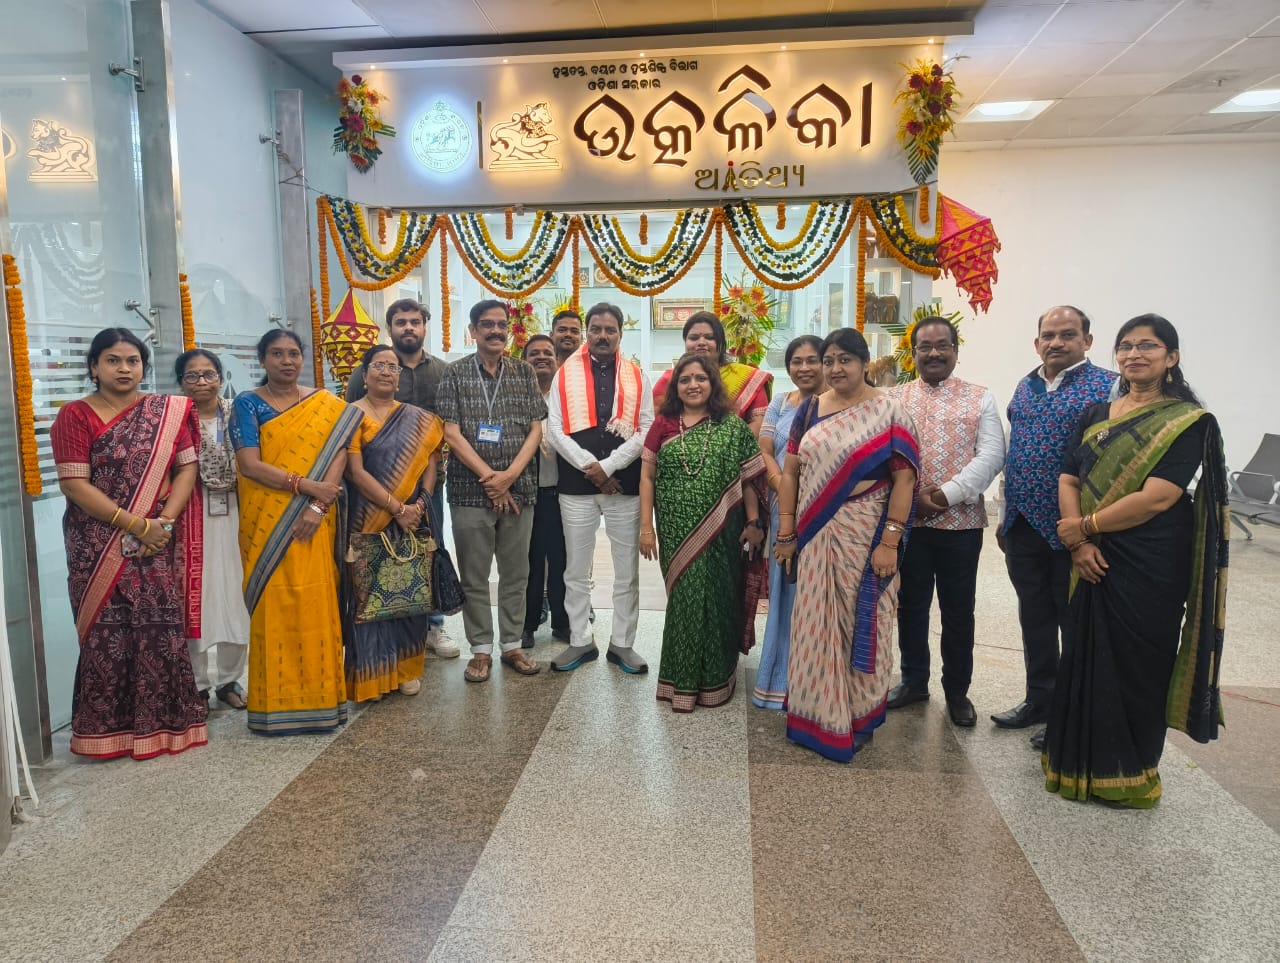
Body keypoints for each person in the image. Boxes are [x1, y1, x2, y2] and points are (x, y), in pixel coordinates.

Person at [1044, 314, 1227, 807]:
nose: (1134, 354)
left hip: (1150, 559)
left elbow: (1158, 497)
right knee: (1082, 653)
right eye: (1125, 346)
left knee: (1139, 663)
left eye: (1148, 346)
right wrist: (1078, 543)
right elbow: (1068, 478)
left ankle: (1131, 773)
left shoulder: (1186, 421)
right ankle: (1076, 765)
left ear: (1172, 357)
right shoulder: (1096, 413)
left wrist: (1084, 527)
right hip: (1089, 553)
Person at [51, 328, 206, 759]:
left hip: (155, 539)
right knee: (107, 633)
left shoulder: (166, 412)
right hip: (96, 542)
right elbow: (73, 483)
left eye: (132, 361)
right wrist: (134, 523)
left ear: (143, 366)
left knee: (159, 629)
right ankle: (106, 732)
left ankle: (165, 727)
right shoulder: (75, 415)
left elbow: (186, 469)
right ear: (94, 368)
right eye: (113, 360)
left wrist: (164, 523)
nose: (124, 368)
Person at [773, 329, 919, 763]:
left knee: (864, 621)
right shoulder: (810, 409)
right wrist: (786, 532)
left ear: (864, 362)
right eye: (829, 361)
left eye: (845, 360)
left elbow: (905, 480)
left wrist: (890, 541)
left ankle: (857, 715)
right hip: (815, 533)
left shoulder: (890, 410)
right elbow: (792, 473)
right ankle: (815, 715)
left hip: (866, 532)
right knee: (814, 621)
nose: (835, 369)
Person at [231, 329, 362, 735]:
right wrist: (306, 487)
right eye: (276, 354)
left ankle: (322, 702)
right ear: (262, 359)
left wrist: (318, 506)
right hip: (266, 520)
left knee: (316, 600)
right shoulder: (247, 404)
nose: (286, 361)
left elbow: (340, 453)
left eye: (293, 354)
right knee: (274, 605)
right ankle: (274, 706)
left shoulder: (325, 404)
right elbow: (249, 464)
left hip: (314, 519)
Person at [992, 306, 1116, 732]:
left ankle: (1071, 714)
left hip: (1076, 527)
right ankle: (1039, 700)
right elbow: (1014, 452)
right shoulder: (1025, 386)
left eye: (1067, 334)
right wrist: (1004, 515)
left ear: (1087, 341)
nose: (1056, 342)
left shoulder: (1108, 387)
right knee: (1035, 617)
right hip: (1022, 525)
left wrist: (1089, 529)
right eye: (1048, 335)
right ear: (1037, 342)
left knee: (1075, 621)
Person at [885, 318, 1005, 727]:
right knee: (910, 606)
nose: (934, 353)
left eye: (942, 345)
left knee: (958, 611)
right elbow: (885, 453)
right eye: (925, 346)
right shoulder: (895, 398)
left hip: (961, 526)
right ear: (913, 352)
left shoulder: (980, 397)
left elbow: (991, 455)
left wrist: (942, 496)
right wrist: (911, 501)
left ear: (956, 349)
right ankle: (914, 682)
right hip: (909, 525)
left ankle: (957, 692)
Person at [639, 354, 766, 711]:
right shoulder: (663, 424)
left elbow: (749, 479)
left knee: (721, 598)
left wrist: (754, 522)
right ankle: (678, 683)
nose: (693, 385)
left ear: (713, 383)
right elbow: (647, 476)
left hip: (725, 529)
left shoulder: (732, 426)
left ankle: (715, 682)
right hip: (675, 530)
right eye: (685, 379)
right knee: (684, 601)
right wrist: (646, 528)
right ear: (675, 387)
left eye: (700, 378)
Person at [436, 300, 546, 683]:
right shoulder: (453, 373)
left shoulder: (524, 372)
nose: (495, 331)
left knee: (517, 573)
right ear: (473, 330)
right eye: (487, 324)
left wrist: (509, 476)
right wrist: (491, 479)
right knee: (474, 575)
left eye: (501, 324)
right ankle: (480, 650)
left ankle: (512, 645)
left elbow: (536, 428)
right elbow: (450, 432)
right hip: (469, 492)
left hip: (520, 490)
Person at [345, 297, 459, 660]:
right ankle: (380, 632)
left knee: (426, 550)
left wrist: (422, 498)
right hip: (372, 490)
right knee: (376, 557)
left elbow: (445, 430)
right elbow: (350, 428)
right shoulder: (365, 373)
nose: (408, 327)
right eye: (401, 322)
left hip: (426, 487)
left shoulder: (442, 372)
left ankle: (432, 626)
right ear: (390, 328)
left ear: (424, 326)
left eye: (414, 321)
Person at [548, 303, 655, 673]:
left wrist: (608, 466)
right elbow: (555, 429)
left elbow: (646, 428)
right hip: (575, 487)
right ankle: (580, 640)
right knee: (575, 570)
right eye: (596, 329)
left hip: (624, 485)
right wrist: (589, 467)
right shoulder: (564, 375)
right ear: (587, 333)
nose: (603, 336)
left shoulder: (637, 376)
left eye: (610, 329)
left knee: (627, 571)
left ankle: (622, 644)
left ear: (621, 334)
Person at [342, 345, 444, 701]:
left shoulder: (420, 419)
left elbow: (431, 463)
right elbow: (354, 472)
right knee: (368, 595)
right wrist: (396, 507)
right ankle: (372, 676)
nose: (386, 372)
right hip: (367, 516)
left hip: (412, 520)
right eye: (379, 365)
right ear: (364, 374)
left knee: (409, 591)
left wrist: (419, 504)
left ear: (399, 377)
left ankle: (406, 670)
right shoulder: (350, 416)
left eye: (393, 367)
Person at [752, 334, 824, 710]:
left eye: (812, 360)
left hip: (824, 509)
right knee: (785, 590)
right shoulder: (781, 401)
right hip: (783, 508)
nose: (804, 367)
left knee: (817, 594)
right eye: (797, 361)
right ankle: (778, 682)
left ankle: (814, 685)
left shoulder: (835, 403)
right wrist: (783, 485)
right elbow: (764, 449)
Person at [176, 348, 250, 711]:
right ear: (181, 382)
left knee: (237, 596)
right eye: (192, 376)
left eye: (209, 374)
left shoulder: (237, 413)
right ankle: (198, 686)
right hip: (190, 517)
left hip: (237, 512)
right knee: (196, 599)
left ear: (221, 378)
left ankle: (229, 680)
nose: (202, 382)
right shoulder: (173, 418)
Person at [521, 334, 570, 648]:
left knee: (562, 562)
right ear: (524, 360)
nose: (541, 357)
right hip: (527, 495)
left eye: (547, 353)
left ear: (557, 359)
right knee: (530, 563)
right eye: (534, 353)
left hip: (563, 493)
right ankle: (526, 625)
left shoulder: (567, 397)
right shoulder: (518, 396)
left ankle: (562, 623)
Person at [652, 311, 772, 434]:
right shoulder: (670, 379)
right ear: (685, 342)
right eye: (694, 338)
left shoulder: (747, 377)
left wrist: (728, 443)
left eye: (710, 337)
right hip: (678, 444)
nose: (701, 342)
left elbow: (759, 424)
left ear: (721, 342)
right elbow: (653, 423)